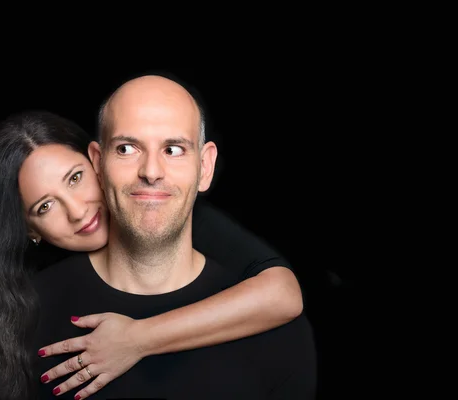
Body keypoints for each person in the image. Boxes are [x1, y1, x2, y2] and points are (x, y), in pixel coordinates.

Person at [0, 82, 306, 400]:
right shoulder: (21, 307)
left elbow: (283, 294)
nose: (77, 211)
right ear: (28, 231)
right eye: (45, 206)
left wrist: (138, 338)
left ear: (95, 166)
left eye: (75, 178)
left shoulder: (186, 216)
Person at [31, 74, 317, 399]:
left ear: (205, 167)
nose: (151, 171)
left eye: (173, 149)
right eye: (126, 148)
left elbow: (283, 294)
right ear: (98, 162)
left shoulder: (277, 334)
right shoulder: (24, 315)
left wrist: (137, 338)